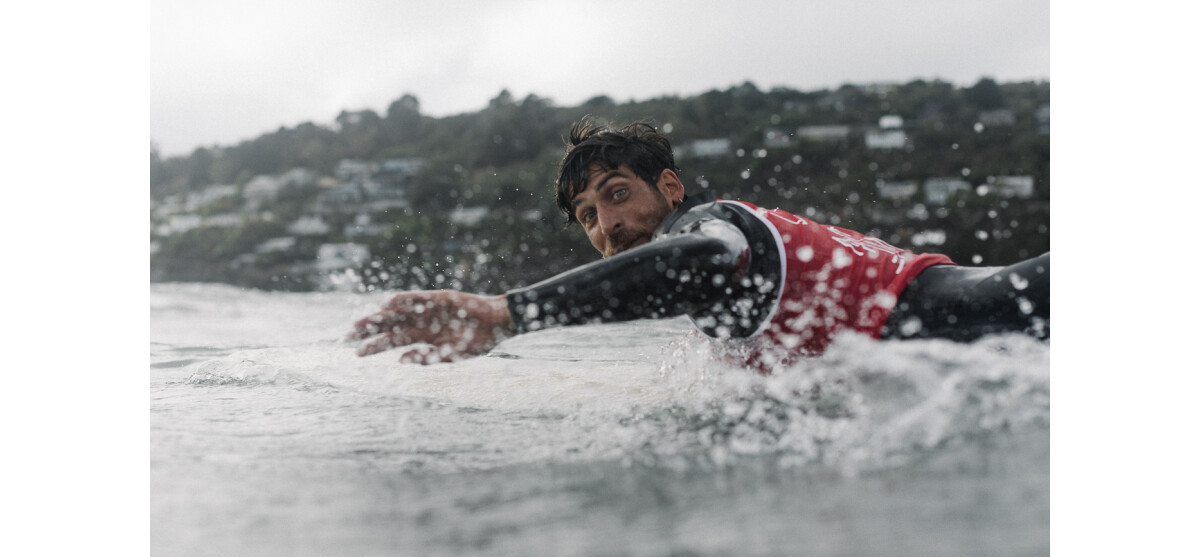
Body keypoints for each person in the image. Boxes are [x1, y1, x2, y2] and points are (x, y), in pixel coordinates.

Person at [348, 120, 1049, 368]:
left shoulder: (708, 226)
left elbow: (697, 262)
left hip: (989, 309)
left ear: (671, 188)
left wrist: (508, 315)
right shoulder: (704, 312)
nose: (608, 226)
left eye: (617, 194)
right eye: (589, 217)